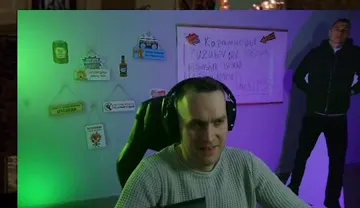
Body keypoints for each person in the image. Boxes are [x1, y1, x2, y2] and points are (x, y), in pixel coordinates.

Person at [116, 77, 306, 208]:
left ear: (229, 121)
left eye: (218, 122)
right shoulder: (150, 174)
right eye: (196, 124)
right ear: (176, 126)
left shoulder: (246, 165)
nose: (208, 136)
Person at [287, 18, 360, 208]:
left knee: (337, 161)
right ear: (330, 31)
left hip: (338, 117)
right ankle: (292, 191)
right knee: (302, 154)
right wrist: (312, 92)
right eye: (337, 29)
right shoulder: (316, 53)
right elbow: (298, 76)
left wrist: (352, 91)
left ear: (348, 34)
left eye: (344, 30)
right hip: (314, 114)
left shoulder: (354, 55)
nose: (340, 33)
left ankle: (332, 200)